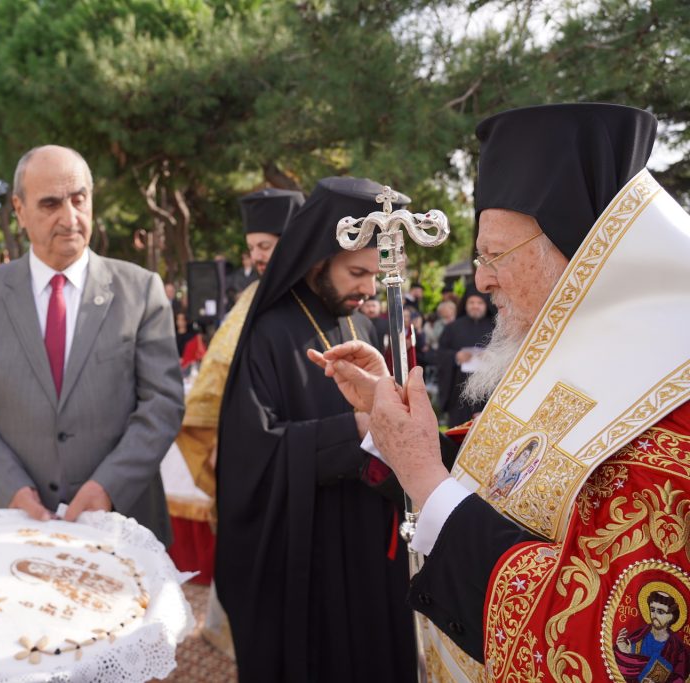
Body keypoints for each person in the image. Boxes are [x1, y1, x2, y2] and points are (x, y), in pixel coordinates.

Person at [314, 103, 690, 681]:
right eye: (479, 257)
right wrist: (392, 426)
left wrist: (425, 476)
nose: (481, 279)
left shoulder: (672, 414)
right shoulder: (568, 359)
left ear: (580, 253)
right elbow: (501, 478)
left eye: (495, 256)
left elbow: (592, 648)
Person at [215, 177, 415, 682]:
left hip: (368, 545)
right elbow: (251, 457)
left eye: (373, 275)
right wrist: (354, 430)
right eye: (356, 273)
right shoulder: (267, 333)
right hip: (307, 553)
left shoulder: (362, 326)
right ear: (317, 259)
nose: (367, 290)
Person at [0, 145, 184, 544]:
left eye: (79, 200)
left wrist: (108, 485)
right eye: (50, 204)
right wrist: (10, 489)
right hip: (10, 531)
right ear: (19, 210)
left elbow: (162, 404)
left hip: (123, 529)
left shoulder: (141, 291)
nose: (70, 219)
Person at [175, 186, 304, 658]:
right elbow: (219, 372)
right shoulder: (253, 294)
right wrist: (217, 435)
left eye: (265, 246)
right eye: (252, 248)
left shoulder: (309, 294)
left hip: (294, 445)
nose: (257, 257)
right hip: (250, 445)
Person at [435, 290, 493, 427]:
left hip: (488, 391)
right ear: (465, 305)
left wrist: (492, 356)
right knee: (459, 432)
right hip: (459, 391)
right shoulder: (452, 328)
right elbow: (439, 354)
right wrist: (456, 356)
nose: (475, 306)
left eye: (479, 303)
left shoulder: (496, 327)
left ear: (486, 305)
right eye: (471, 302)